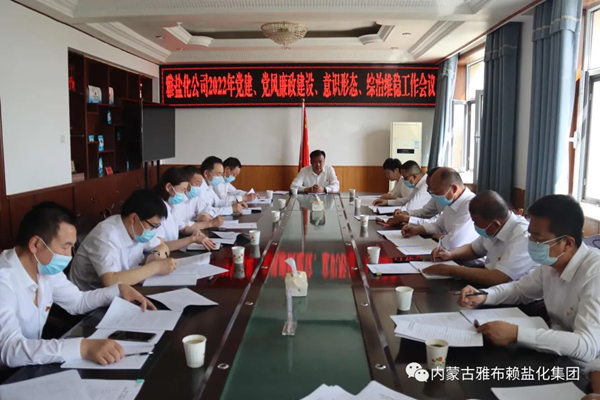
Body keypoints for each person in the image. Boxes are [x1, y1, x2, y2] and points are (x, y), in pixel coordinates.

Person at [0, 202, 155, 368]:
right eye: (65, 247)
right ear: (35, 244)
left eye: (72, 247)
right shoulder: (4, 281)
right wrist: (82, 348)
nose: (69, 255)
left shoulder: (44, 268)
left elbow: (77, 302)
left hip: (29, 364)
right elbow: (9, 349)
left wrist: (118, 290)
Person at [457, 195, 600, 364]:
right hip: (555, 352)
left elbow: (587, 345)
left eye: (538, 240)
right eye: (530, 236)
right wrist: (484, 295)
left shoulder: (594, 274)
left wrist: (517, 334)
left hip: (586, 367)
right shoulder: (552, 263)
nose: (531, 244)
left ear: (567, 243)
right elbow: (519, 289)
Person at [70, 189, 181, 290]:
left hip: (125, 289)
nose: (153, 231)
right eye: (152, 226)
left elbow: (162, 245)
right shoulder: (106, 235)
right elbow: (110, 281)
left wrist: (155, 255)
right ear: (134, 218)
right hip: (91, 297)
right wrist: (155, 267)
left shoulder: (136, 230)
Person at [422, 190, 537, 286]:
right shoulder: (493, 228)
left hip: (513, 296)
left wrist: (452, 270)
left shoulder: (522, 235)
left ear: (495, 224)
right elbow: (473, 249)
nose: (475, 226)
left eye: (476, 222)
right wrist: (450, 254)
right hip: (491, 286)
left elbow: (498, 277)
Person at [402, 167, 478, 252]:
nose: (434, 195)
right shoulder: (451, 201)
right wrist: (417, 229)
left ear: (454, 189)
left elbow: (453, 243)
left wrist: (440, 237)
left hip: (465, 258)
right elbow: (438, 226)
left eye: (437, 192)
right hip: (447, 253)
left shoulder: (471, 206)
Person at [154, 167, 217, 251]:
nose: (183, 194)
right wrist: (192, 239)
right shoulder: (156, 209)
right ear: (169, 187)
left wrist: (195, 231)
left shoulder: (172, 206)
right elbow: (160, 246)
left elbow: (183, 228)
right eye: (182, 190)